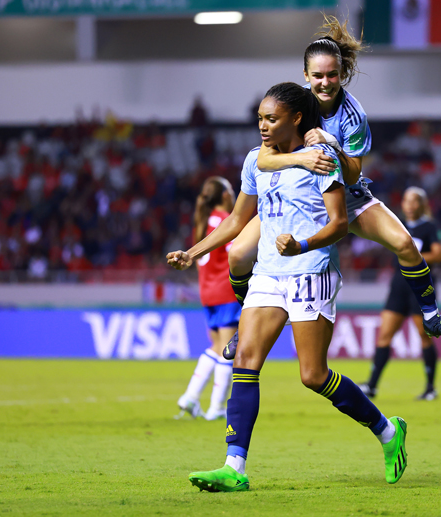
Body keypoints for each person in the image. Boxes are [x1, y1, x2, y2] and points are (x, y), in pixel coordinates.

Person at [166, 82, 408, 492]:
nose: (262, 125)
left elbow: (340, 224)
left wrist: (302, 245)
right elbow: (236, 220)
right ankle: (234, 466)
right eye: (260, 118)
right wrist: (193, 252)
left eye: (271, 118)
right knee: (245, 360)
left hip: (312, 270)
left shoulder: (322, 159)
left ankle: (387, 430)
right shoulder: (254, 161)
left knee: (313, 375)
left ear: (296, 118)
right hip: (268, 273)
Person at [222, 16, 441, 361]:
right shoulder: (293, 105)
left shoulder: (354, 116)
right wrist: (303, 159)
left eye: (332, 75)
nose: (325, 83)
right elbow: (264, 159)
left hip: (347, 198)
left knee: (404, 243)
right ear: (306, 74)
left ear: (343, 74)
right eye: (318, 76)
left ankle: (431, 318)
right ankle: (246, 322)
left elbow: (353, 175)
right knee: (237, 255)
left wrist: (332, 144)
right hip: (297, 200)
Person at [360, 187, 441, 401]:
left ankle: (430, 388)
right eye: (406, 200)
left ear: (422, 205)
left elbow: (438, 255)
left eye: (414, 201)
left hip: (420, 285)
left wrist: (410, 255)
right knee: (384, 335)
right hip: (399, 284)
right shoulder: (398, 224)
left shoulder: (430, 227)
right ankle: (371, 385)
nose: (409, 205)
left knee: (423, 335)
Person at [175, 177, 240, 421]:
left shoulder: (203, 222)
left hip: (208, 293)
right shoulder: (226, 222)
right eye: (232, 191)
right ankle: (217, 407)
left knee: (216, 346)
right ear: (225, 195)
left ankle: (190, 398)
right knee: (227, 350)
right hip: (226, 292)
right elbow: (236, 254)